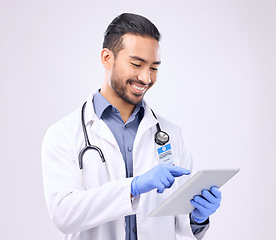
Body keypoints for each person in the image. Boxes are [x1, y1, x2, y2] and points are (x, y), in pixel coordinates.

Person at [42, 13, 222, 240]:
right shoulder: (63, 134)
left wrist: (198, 218)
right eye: (136, 64)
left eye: (154, 67)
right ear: (107, 58)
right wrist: (133, 187)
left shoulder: (171, 134)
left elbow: (180, 224)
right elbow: (63, 215)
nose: (146, 78)